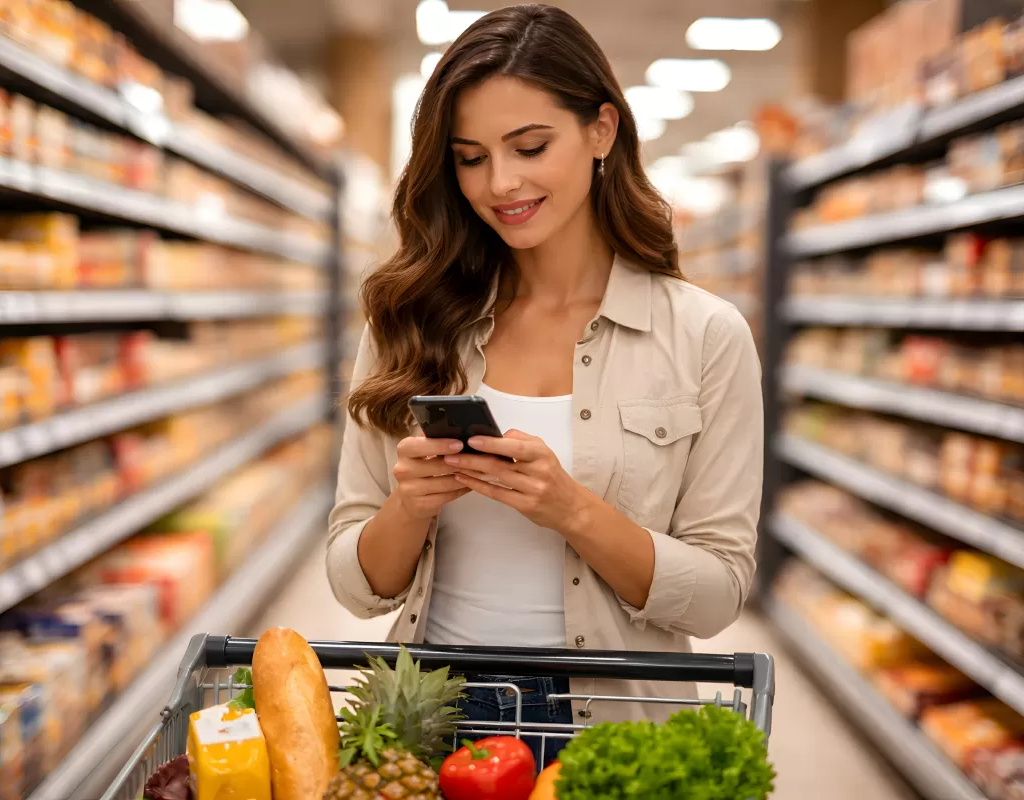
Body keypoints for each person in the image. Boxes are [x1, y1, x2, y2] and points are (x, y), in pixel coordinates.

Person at [326, 3, 762, 765]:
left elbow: (720, 591)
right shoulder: (409, 321)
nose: (501, 182)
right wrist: (409, 506)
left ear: (602, 131)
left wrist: (571, 510)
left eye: (530, 146)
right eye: (469, 157)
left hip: (617, 727)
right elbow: (354, 582)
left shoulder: (704, 335)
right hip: (432, 718)